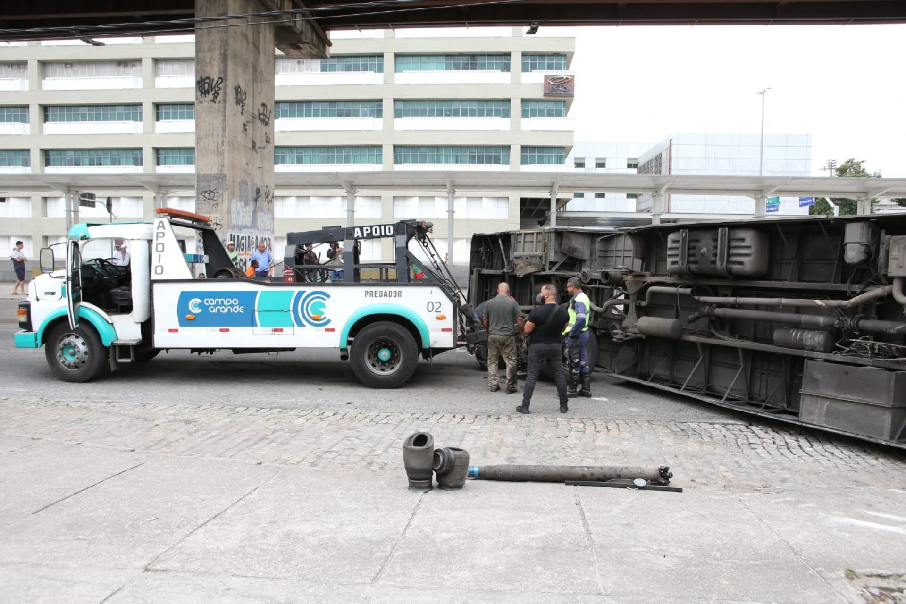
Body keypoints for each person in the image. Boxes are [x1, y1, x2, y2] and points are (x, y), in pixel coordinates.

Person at [516, 284, 570, 414]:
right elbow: (564, 328)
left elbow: (527, 330)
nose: (539, 295)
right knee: (559, 375)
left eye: (541, 292)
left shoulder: (536, 312)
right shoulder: (564, 313)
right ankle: (564, 405)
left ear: (546, 295)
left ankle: (525, 406)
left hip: (537, 347)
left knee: (532, 376)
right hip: (555, 347)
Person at [483, 282, 524, 393]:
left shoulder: (489, 303)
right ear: (508, 290)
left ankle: (493, 385)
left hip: (493, 335)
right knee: (510, 361)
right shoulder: (513, 303)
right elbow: (519, 319)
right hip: (507, 336)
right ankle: (510, 387)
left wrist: (488, 331)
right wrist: (521, 333)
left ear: (497, 290)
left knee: (492, 360)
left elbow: (485, 319)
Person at [563, 276, 593, 398]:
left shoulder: (578, 300)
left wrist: (573, 332)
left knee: (574, 361)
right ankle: (586, 389)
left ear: (572, 286)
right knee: (583, 361)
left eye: (568, 287)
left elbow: (580, 319)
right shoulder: (583, 297)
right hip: (583, 333)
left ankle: (572, 390)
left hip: (577, 335)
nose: (567, 289)